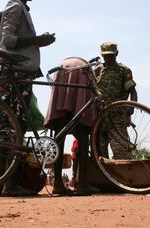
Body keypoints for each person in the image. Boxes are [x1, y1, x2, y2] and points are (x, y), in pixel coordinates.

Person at [0, 0, 56, 196]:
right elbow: (8, 41)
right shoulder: (14, 6)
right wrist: (38, 40)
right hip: (17, 74)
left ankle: (8, 184)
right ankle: (8, 185)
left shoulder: (22, 8)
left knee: (17, 126)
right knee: (15, 127)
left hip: (23, 74)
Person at [45, 57, 98, 196]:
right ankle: (82, 185)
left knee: (59, 138)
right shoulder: (86, 67)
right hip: (79, 92)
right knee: (82, 136)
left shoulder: (63, 64)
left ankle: (57, 184)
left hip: (61, 83)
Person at [95, 42, 137, 159]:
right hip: (100, 119)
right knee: (99, 157)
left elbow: (133, 91)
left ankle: (125, 177)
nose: (108, 58)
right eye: (105, 55)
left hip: (117, 118)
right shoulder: (98, 70)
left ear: (116, 54)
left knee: (122, 155)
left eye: (111, 55)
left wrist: (131, 107)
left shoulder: (123, 70)